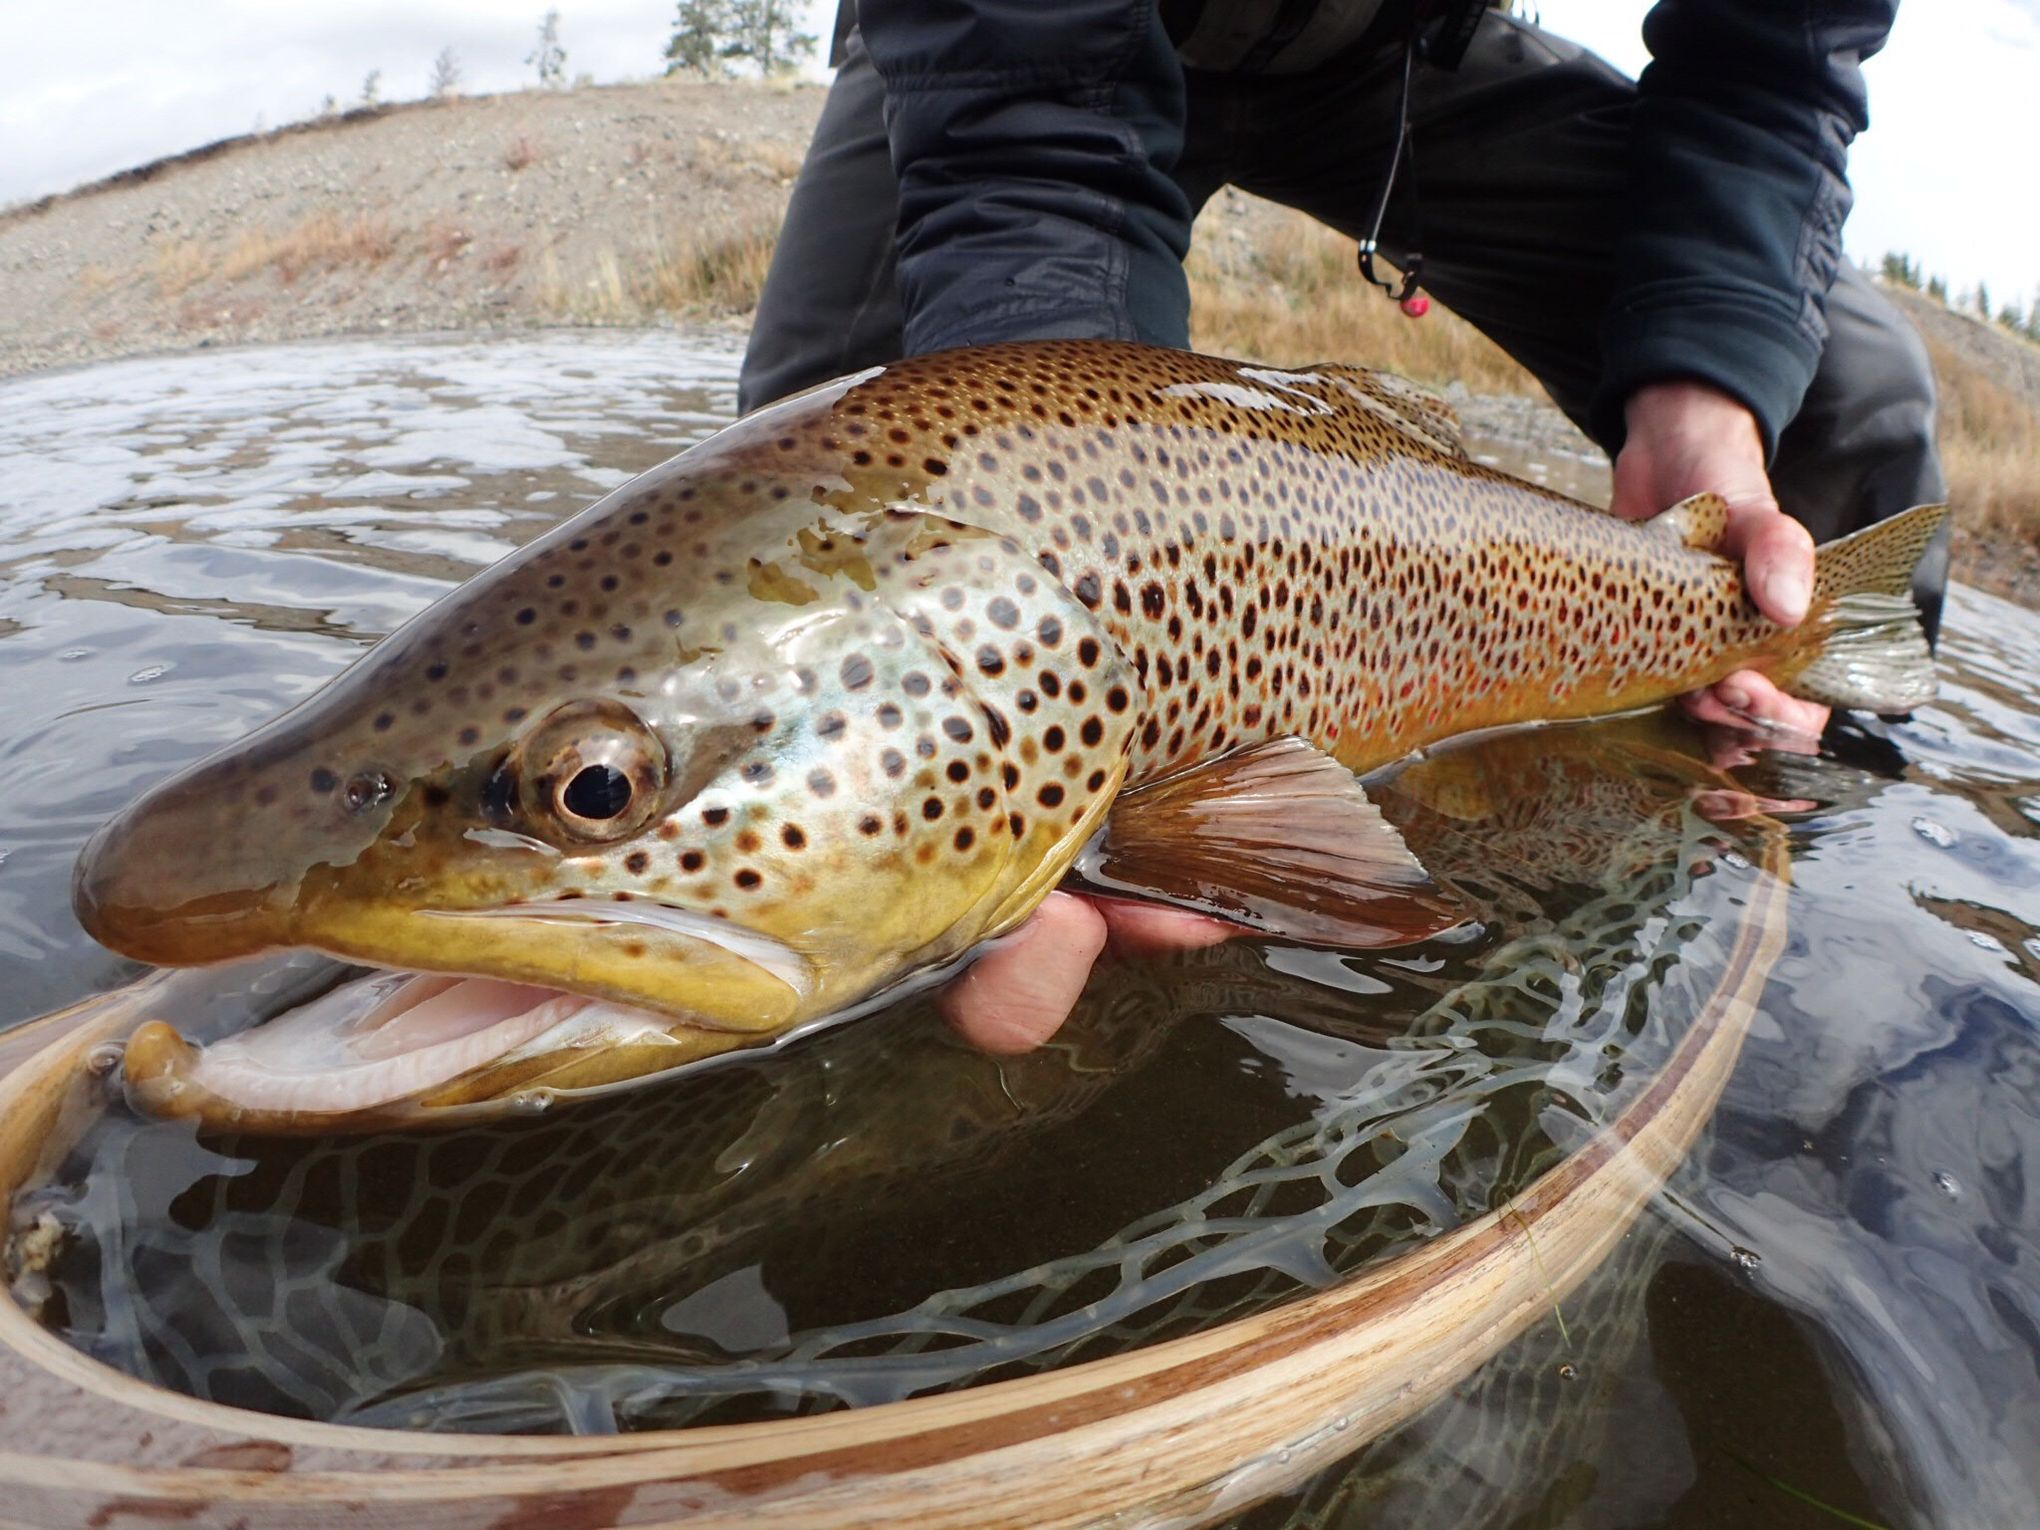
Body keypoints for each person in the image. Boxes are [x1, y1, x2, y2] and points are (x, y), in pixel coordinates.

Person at [737, 0, 1947, 1054]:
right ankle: (896, 941)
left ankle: (1799, 789)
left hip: (1406, 61)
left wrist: (1712, 396)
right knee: (836, 439)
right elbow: (1019, 121)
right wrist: (1084, 488)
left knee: (1842, 406)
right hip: (1018, 60)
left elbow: (1773, 50)